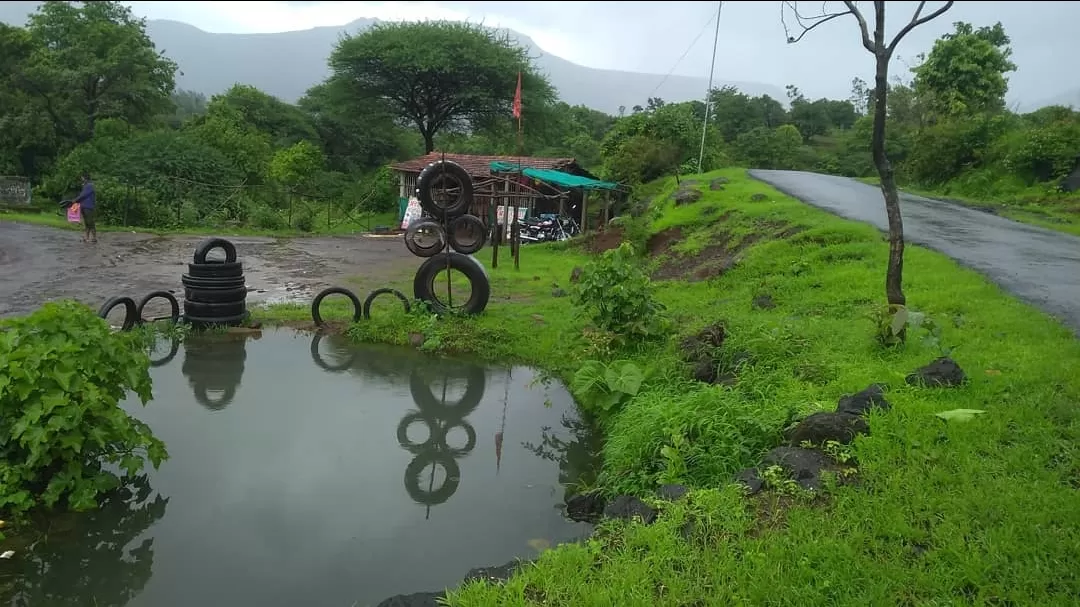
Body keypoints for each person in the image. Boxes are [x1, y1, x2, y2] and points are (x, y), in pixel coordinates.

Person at [74, 172, 97, 243]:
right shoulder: (85, 185)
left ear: (85, 178)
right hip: (84, 206)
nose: (81, 179)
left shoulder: (89, 186)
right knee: (86, 222)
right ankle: (87, 237)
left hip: (88, 206)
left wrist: (75, 200)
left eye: (82, 177)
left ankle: (94, 237)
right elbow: (82, 195)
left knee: (90, 222)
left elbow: (83, 195)